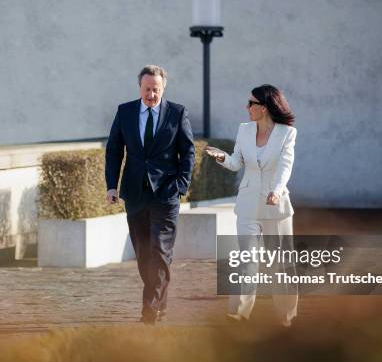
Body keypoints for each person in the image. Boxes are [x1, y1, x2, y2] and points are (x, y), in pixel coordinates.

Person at [105, 65, 195, 325]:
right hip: (134, 193)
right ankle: (160, 301)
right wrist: (112, 186)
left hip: (166, 193)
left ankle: (149, 310)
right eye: (147, 89)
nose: (151, 94)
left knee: (160, 251)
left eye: (156, 89)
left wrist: (181, 184)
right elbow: (114, 150)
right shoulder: (125, 112)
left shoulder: (177, 113)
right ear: (139, 87)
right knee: (144, 254)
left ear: (163, 88)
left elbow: (188, 151)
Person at [205, 84, 298, 326]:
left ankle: (286, 317)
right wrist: (222, 157)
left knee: (281, 262)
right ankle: (239, 312)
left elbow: (285, 166)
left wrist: (276, 192)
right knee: (247, 258)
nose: (246, 108)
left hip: (275, 205)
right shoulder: (244, 130)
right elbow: (237, 162)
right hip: (247, 204)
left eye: (251, 104)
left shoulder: (287, 133)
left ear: (263, 108)